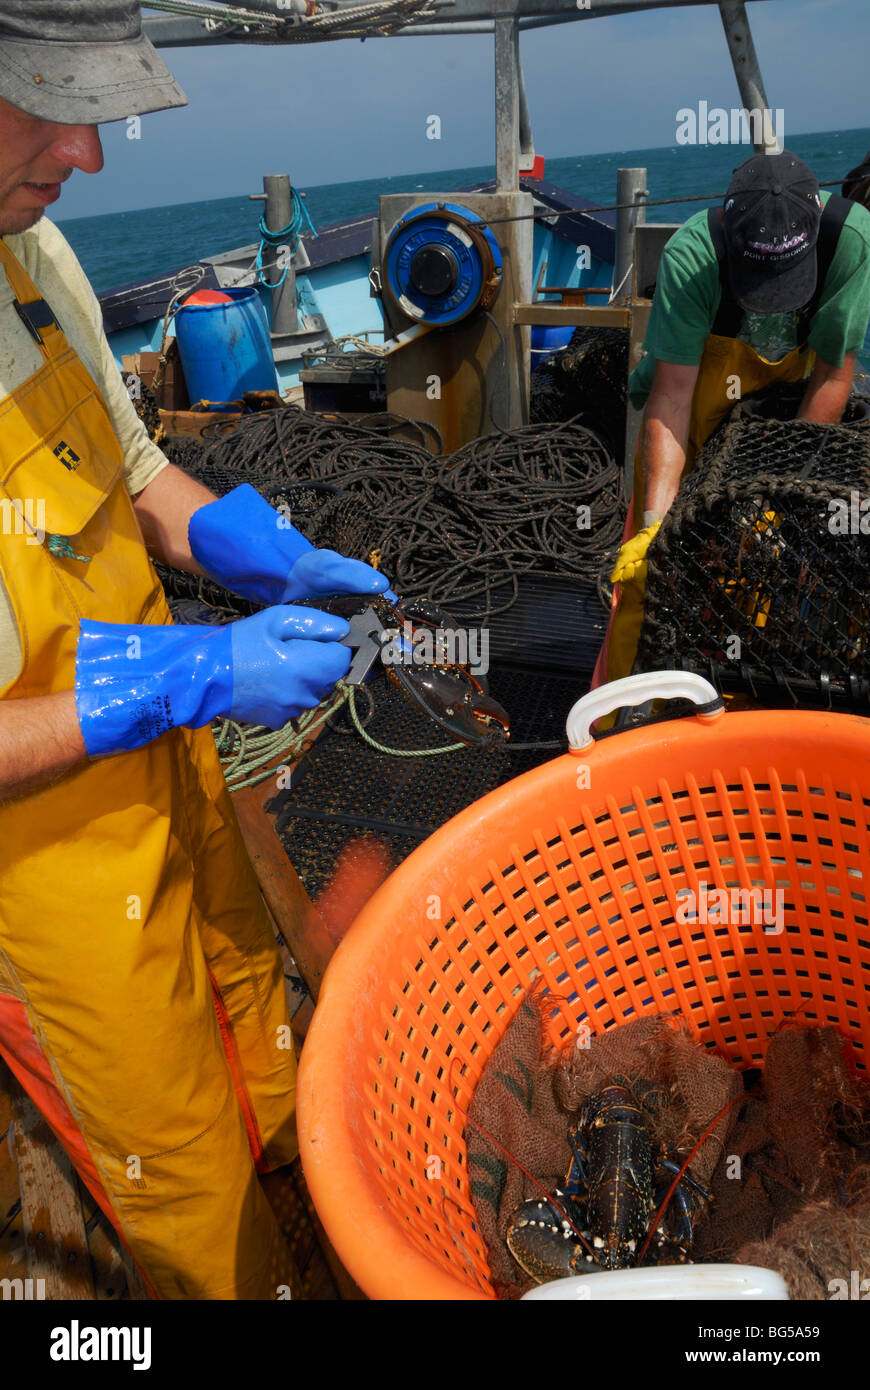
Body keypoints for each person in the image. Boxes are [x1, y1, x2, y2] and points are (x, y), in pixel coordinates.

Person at [0, 0, 391, 1299]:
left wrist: (256, 548)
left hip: (167, 764)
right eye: (51, 105)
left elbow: (133, 465)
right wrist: (199, 673)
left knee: (258, 1018)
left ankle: (310, 1209)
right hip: (43, 877)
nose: (88, 152)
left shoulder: (29, 248)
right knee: (176, 1167)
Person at [593, 149, 870, 693]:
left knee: (758, 572)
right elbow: (671, 398)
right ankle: (616, 717)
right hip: (693, 416)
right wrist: (656, 525)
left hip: (783, 427)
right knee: (649, 577)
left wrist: (776, 504)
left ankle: (736, 705)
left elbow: (832, 375)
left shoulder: (851, 241)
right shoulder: (693, 257)